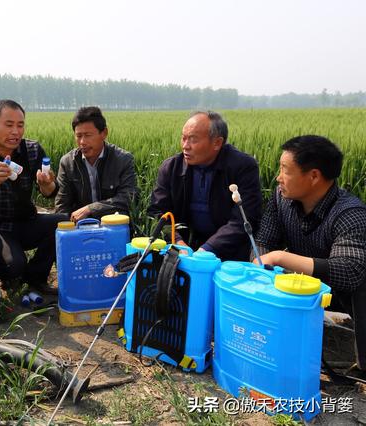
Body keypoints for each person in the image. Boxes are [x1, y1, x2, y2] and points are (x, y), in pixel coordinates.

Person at [254, 135, 366, 376]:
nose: (278, 177)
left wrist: (280, 258)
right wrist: (261, 262)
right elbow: (264, 240)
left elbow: (349, 271)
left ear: (314, 176)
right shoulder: (281, 199)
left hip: (340, 294)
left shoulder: (350, 213)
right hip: (303, 285)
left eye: (285, 170)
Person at [0, 100, 66, 295]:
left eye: (20, 125)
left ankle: (36, 277)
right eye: (9, 125)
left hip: (27, 221)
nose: (16, 132)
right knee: (14, 267)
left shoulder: (32, 150)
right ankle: (8, 273)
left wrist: (46, 183)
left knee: (64, 223)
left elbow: (50, 192)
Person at [147, 110, 261, 261]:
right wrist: (178, 243)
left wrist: (207, 249)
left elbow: (244, 219)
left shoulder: (242, 167)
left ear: (217, 143)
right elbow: (158, 212)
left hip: (228, 255)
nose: (185, 146)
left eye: (193, 140)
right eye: (183, 138)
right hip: (181, 251)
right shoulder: (171, 168)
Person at [55, 106, 138, 222]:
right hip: (80, 226)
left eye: (88, 135)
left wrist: (91, 208)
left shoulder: (123, 160)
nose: (82, 142)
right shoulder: (68, 163)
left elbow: (129, 197)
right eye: (78, 136)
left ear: (104, 133)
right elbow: (62, 205)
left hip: (112, 225)